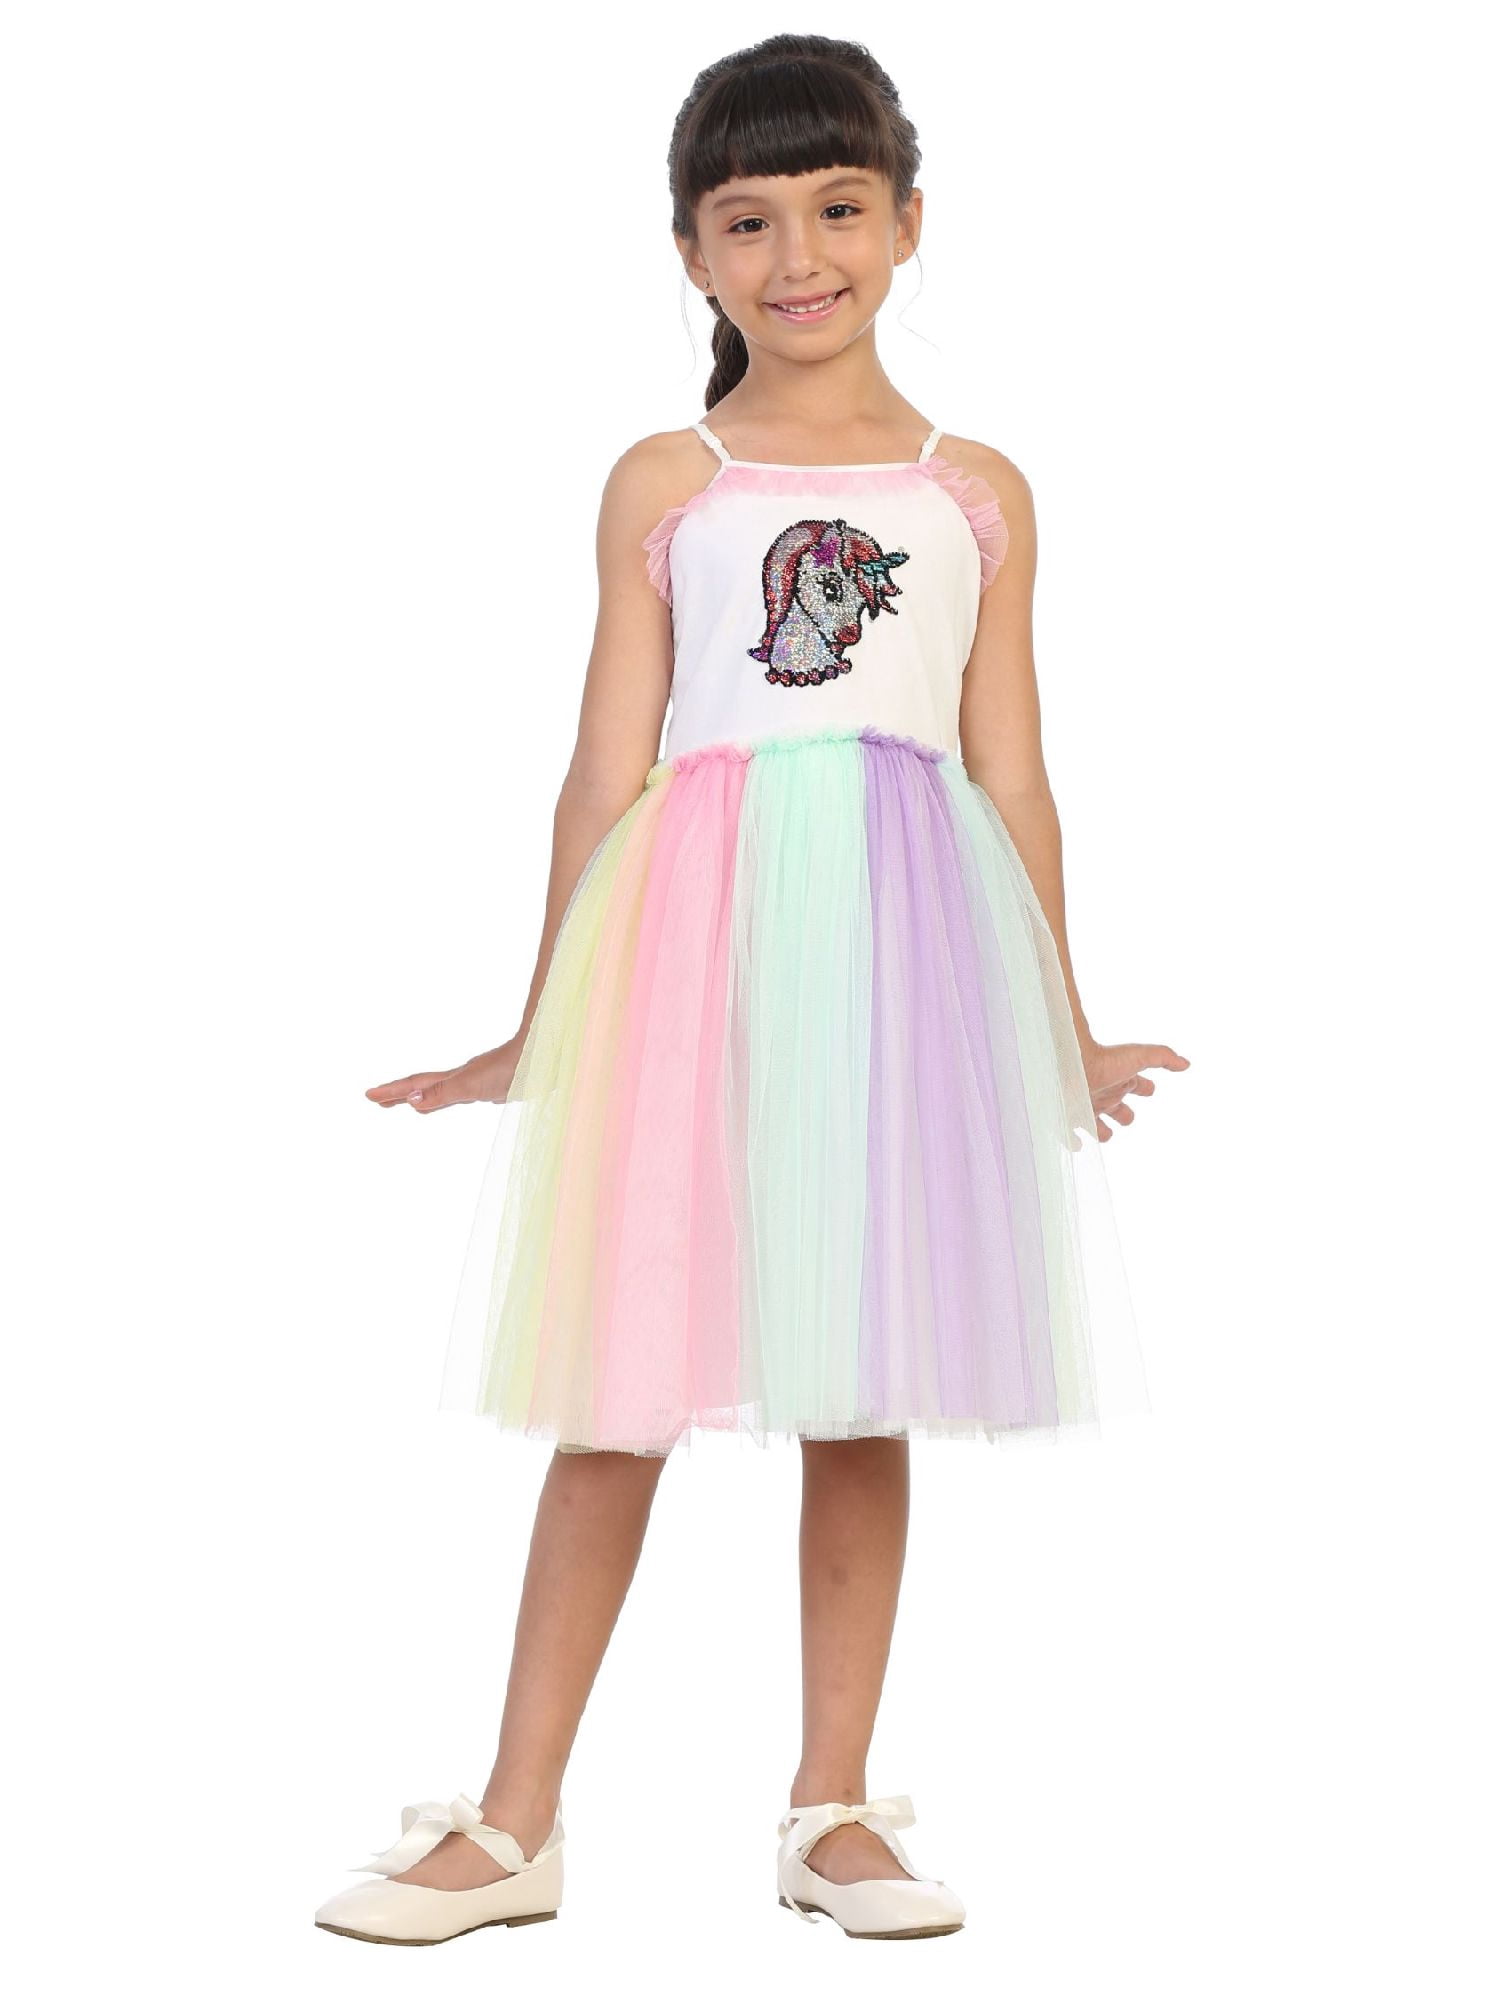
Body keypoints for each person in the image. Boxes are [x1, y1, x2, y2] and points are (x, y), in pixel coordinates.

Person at [313, 31, 1189, 1948]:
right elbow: (602, 768)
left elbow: (1014, 769)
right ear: (692, 254)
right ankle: (514, 1823)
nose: (800, 256)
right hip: (690, 947)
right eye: (750, 220)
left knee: (861, 1383)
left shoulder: (977, 489)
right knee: (618, 1388)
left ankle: (833, 1809)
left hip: (900, 959)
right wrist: (542, 1018)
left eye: (839, 209)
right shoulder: (671, 479)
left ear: (909, 223)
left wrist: (1059, 1016)